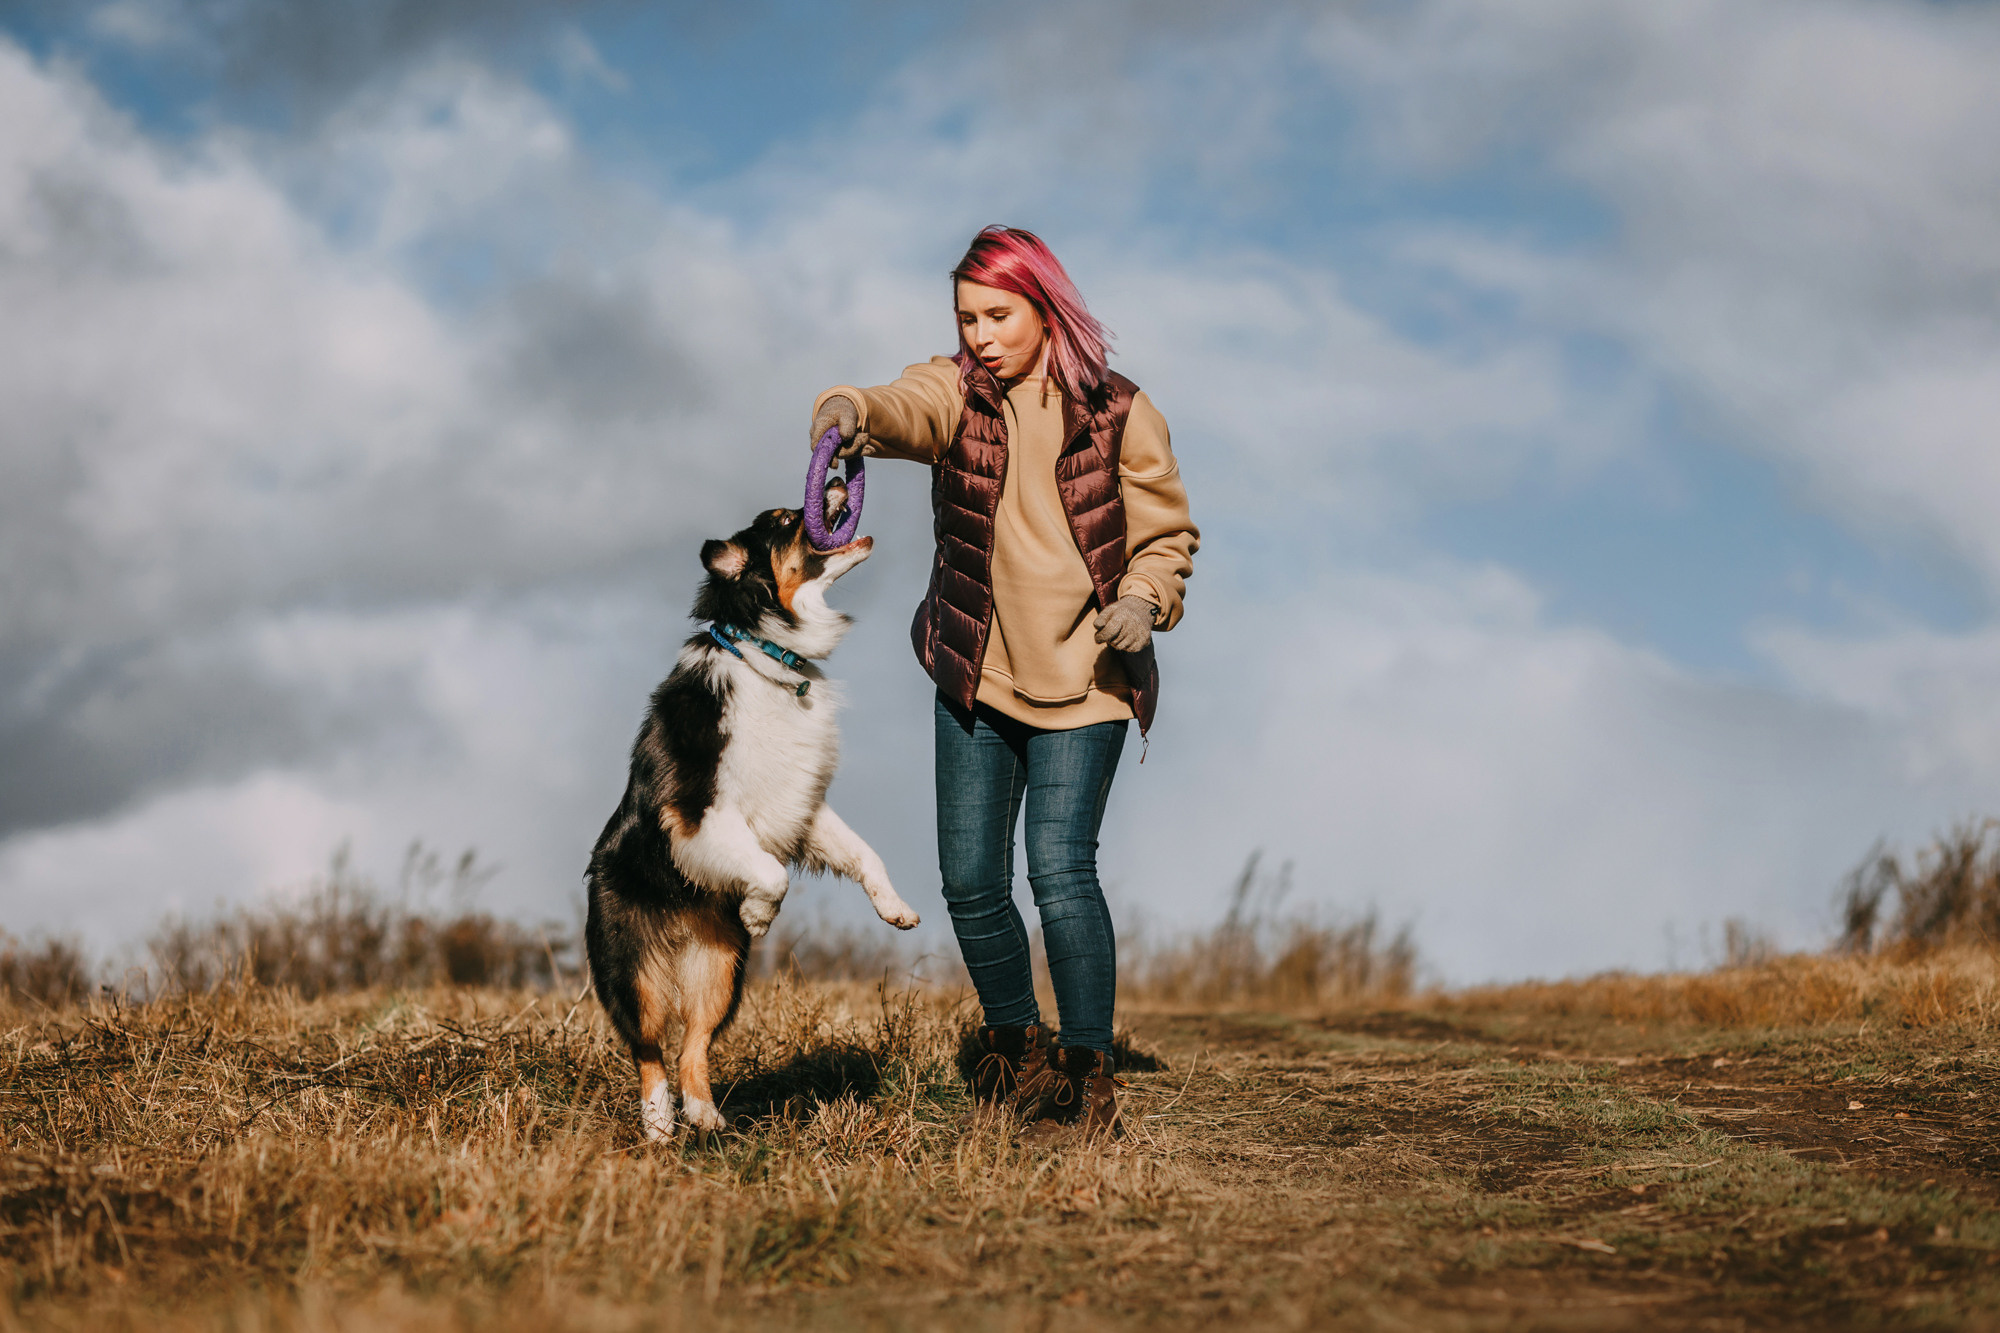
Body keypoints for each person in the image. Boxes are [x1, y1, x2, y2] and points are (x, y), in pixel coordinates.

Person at [809, 226, 1198, 1142]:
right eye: (965, 317)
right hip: (975, 668)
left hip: (1090, 674)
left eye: (997, 315)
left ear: (1045, 306)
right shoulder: (957, 392)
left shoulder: (1120, 411)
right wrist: (846, 417)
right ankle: (1016, 1050)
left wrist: (1144, 601)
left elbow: (1166, 535)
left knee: (1060, 871)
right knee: (971, 880)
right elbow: (896, 405)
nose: (979, 334)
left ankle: (1087, 1072)